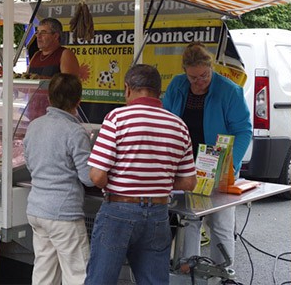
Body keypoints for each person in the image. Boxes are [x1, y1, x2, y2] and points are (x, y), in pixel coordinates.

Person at [85, 64, 197, 285]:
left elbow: (97, 176)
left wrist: (119, 178)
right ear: (159, 92)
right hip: (158, 214)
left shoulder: (117, 118)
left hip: (117, 211)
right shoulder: (179, 125)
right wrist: (158, 179)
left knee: (101, 280)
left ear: (127, 89)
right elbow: (189, 182)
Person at [162, 42, 252, 271]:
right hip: (186, 167)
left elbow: (243, 130)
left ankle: (222, 272)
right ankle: (189, 271)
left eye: (204, 75)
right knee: (188, 219)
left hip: (220, 165)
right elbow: (166, 119)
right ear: (185, 72)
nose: (199, 82)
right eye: (193, 78)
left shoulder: (229, 91)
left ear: (211, 67)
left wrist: (229, 166)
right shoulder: (177, 86)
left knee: (220, 222)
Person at [23, 73, 94, 285]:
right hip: (64, 214)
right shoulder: (74, 131)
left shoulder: (34, 126)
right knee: (78, 273)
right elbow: (88, 178)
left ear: (50, 98)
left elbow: (29, 164)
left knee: (44, 273)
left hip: (36, 210)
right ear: (78, 101)